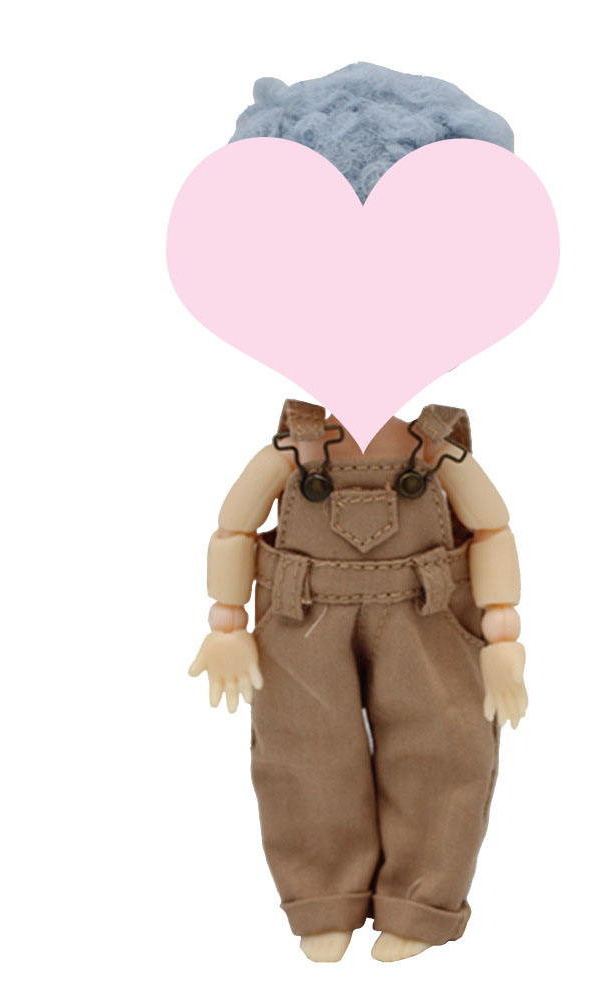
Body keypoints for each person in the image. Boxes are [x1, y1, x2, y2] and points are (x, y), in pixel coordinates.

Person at [191, 399, 526, 962]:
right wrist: (226, 624)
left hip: (428, 612)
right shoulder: (294, 448)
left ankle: (421, 903)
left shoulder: (436, 447)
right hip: (300, 613)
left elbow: (493, 529)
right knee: (303, 750)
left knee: (445, 748)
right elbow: (232, 531)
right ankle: (322, 898)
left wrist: (503, 636)